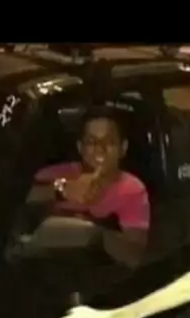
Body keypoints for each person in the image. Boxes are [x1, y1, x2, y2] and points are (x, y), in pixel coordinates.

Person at [30, 108, 150, 267]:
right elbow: (16, 198)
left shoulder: (132, 190)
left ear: (123, 148)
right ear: (80, 148)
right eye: (92, 142)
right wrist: (62, 189)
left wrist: (95, 234)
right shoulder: (55, 174)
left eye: (109, 142)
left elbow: (134, 255)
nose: (100, 150)